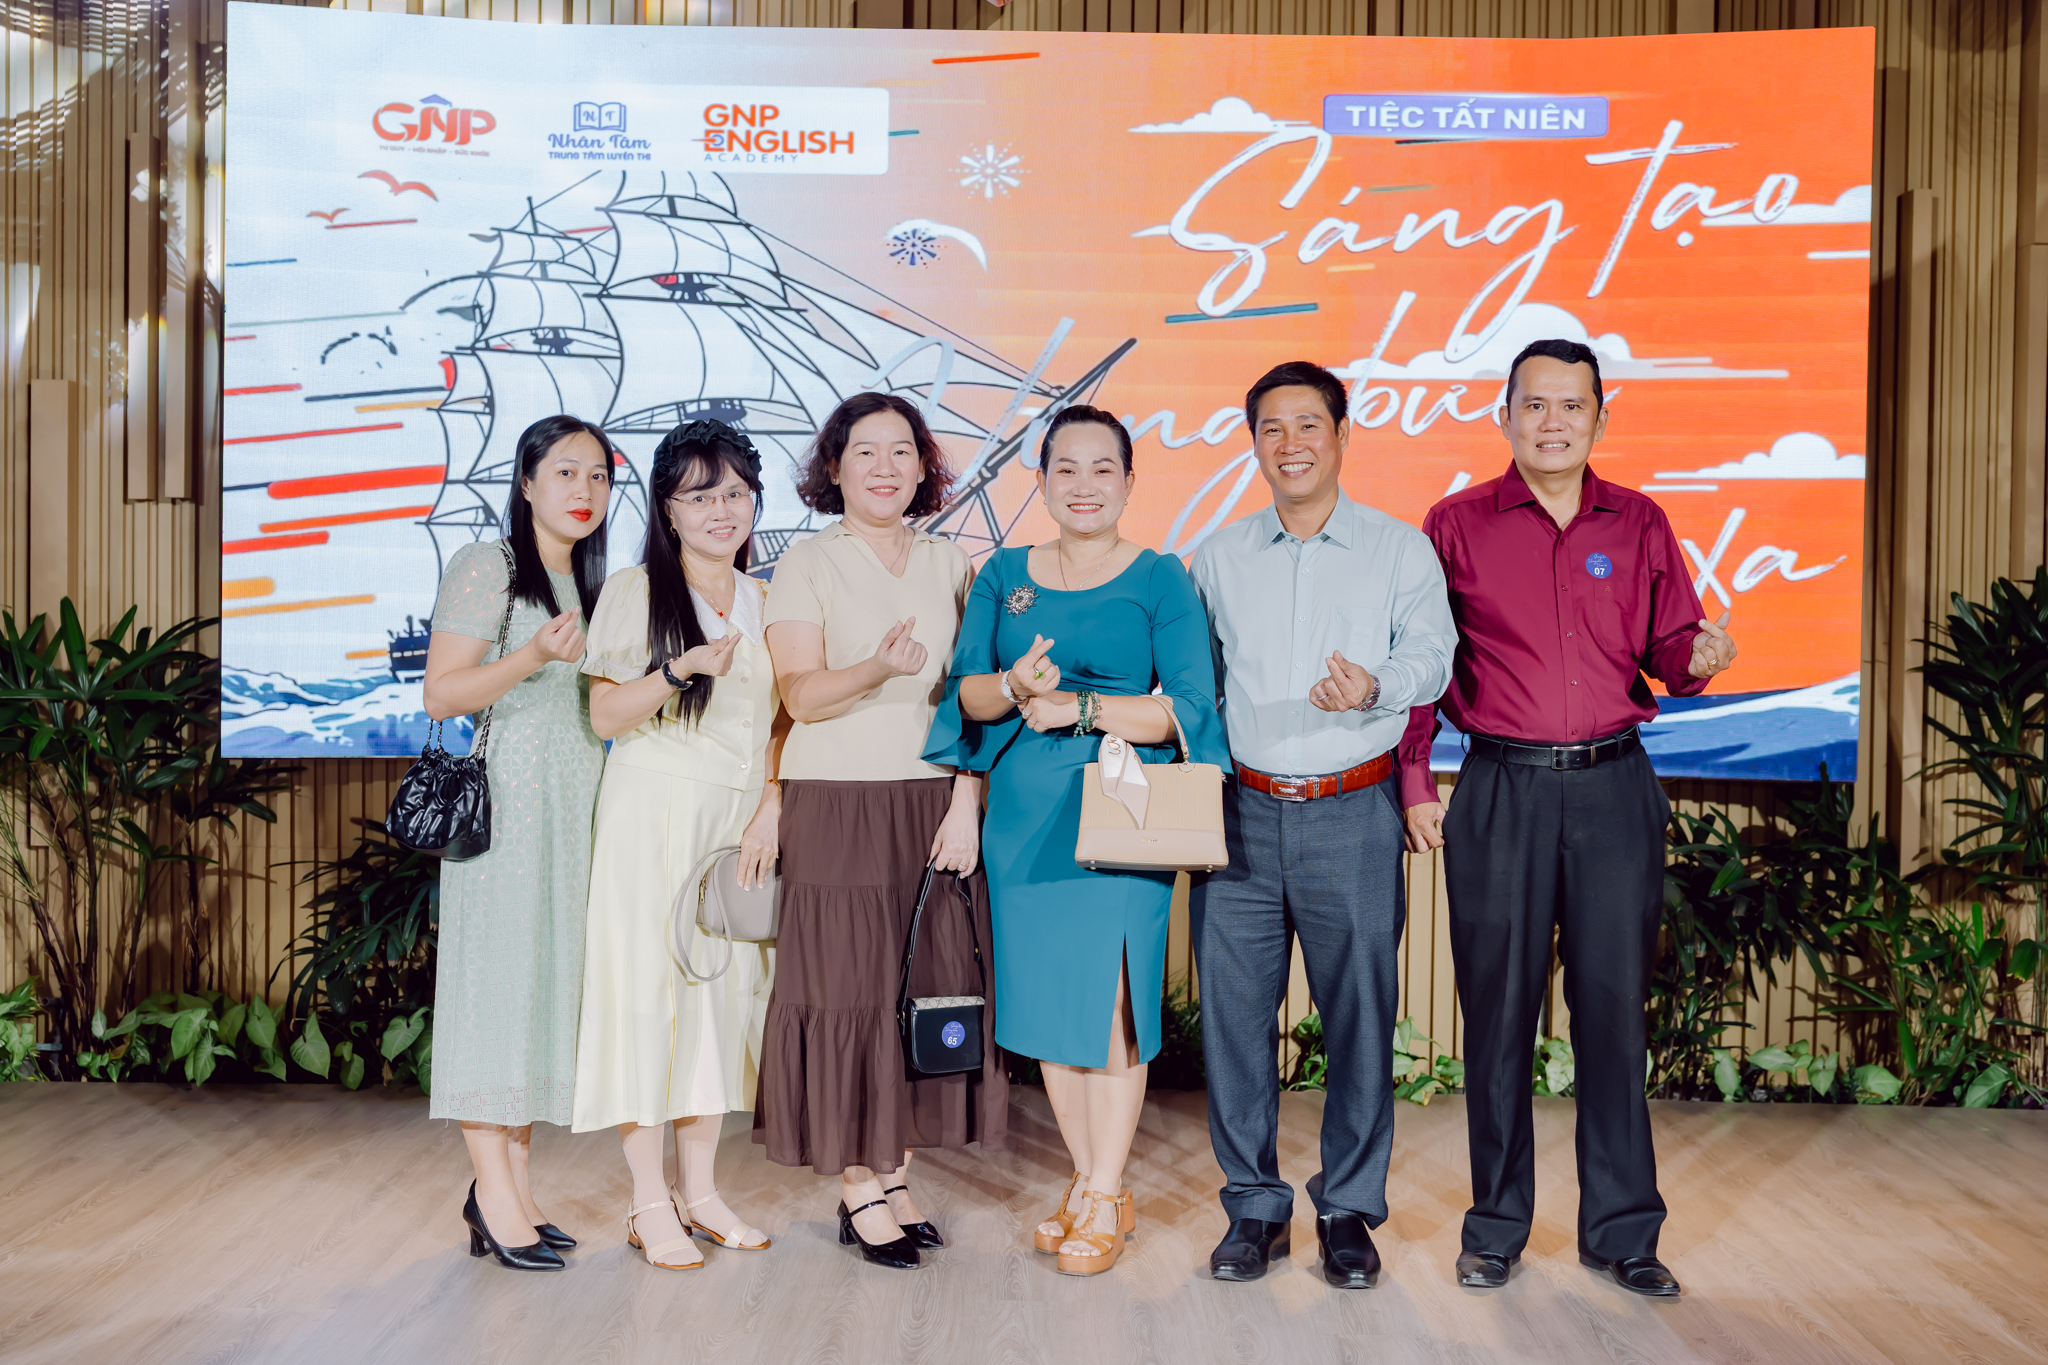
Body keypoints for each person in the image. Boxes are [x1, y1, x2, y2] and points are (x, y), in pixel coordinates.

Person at [1397, 338, 1738, 1298]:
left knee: (1613, 1013)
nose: (1553, 422)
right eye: (1535, 405)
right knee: (1497, 1013)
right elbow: (1423, 664)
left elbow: (1672, 645)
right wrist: (1414, 776)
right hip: (1500, 789)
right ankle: (1496, 1227)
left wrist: (1699, 654)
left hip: (1613, 789)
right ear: (1504, 416)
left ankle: (1623, 1232)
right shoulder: (1454, 524)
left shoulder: (1639, 521)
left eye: (1572, 406)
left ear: (1600, 416)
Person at [926, 405, 1228, 1277]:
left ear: (1130, 481)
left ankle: (1100, 1189)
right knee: (1052, 1009)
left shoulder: (1161, 577)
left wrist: (1083, 708)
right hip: (1023, 820)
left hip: (1123, 811)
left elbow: (1190, 706)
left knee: (1111, 1005)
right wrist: (1013, 686)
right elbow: (968, 694)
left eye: (1103, 469)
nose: (1084, 485)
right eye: (1066, 468)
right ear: (1042, 479)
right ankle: (1095, 1184)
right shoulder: (1002, 573)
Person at [1188, 360, 1455, 1289]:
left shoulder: (1399, 550)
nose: (1291, 443)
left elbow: (1435, 656)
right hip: (1241, 815)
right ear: (1254, 442)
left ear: (1342, 434)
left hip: (1354, 810)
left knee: (1360, 1016)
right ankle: (1253, 1208)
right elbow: (1194, 684)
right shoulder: (1217, 557)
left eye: (1309, 424)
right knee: (1234, 1021)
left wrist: (1377, 685)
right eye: (1272, 427)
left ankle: (1347, 1209)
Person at [755, 392, 1005, 1271]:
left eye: (903, 450)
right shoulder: (806, 563)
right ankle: (859, 1181)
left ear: (924, 466)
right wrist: (874, 668)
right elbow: (799, 695)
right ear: (834, 466)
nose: (886, 467)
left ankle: (896, 1173)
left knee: (924, 988)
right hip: (838, 801)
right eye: (865, 451)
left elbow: (976, 697)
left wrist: (966, 800)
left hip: (932, 800)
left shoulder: (952, 562)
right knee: (849, 989)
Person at [571, 419, 786, 1270]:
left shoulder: (766, 597)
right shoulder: (636, 589)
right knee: (645, 999)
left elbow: (781, 721)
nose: (721, 510)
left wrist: (771, 803)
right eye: (701, 496)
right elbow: (603, 713)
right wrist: (678, 670)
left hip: (736, 824)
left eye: (735, 492)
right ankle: (647, 1200)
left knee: (719, 1003)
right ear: (668, 508)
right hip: (652, 812)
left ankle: (701, 1192)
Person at [421, 413, 614, 1272]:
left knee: (538, 993)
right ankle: (492, 1194)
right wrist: (532, 654)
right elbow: (442, 695)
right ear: (526, 482)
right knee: (495, 995)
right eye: (565, 471)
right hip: (504, 812)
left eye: (599, 475)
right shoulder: (487, 564)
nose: (584, 489)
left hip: (573, 809)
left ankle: (517, 1190)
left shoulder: (592, 580)